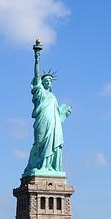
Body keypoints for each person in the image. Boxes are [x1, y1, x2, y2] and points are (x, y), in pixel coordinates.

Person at [23, 40, 72, 176]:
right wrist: (37, 57)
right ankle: (41, 166)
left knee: (53, 144)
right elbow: (37, 76)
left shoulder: (54, 97)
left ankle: (50, 167)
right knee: (40, 143)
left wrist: (64, 114)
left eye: (50, 81)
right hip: (43, 120)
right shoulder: (40, 92)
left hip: (54, 123)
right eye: (46, 80)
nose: (48, 82)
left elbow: (57, 115)